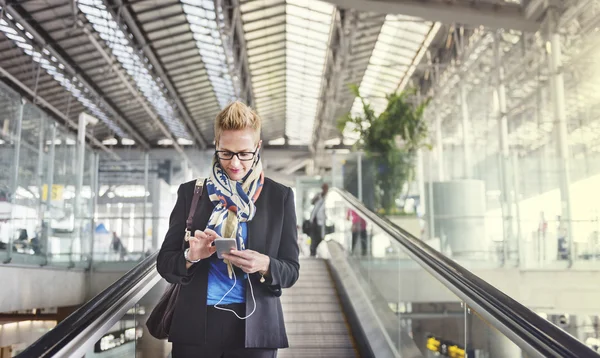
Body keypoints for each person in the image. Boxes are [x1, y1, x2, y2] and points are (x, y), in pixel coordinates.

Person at [157, 101, 300, 358]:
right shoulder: (192, 193)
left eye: (244, 153)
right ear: (216, 145)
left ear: (257, 148)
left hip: (256, 329)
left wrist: (265, 264)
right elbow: (165, 264)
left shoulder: (279, 197)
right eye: (226, 153)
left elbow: (291, 270)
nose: (234, 163)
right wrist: (192, 256)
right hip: (195, 326)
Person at [308, 183, 328, 257]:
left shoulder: (328, 197)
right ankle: (312, 252)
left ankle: (314, 249)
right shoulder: (319, 195)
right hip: (314, 220)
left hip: (321, 221)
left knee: (320, 237)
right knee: (314, 236)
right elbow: (312, 202)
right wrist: (317, 197)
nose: (324, 189)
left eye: (326, 188)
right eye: (323, 188)